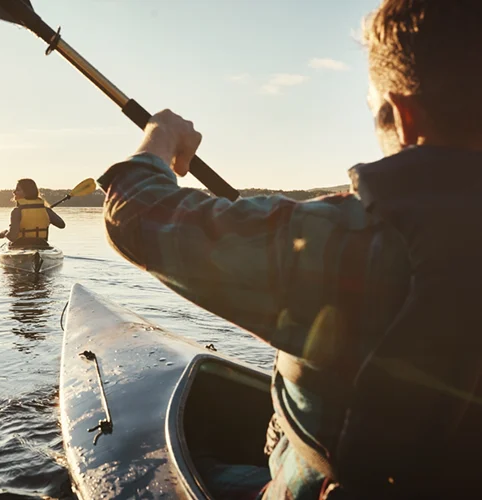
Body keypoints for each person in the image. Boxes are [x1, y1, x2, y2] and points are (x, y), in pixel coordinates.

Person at [96, 0, 482, 498]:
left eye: (376, 110)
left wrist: (160, 138)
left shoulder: (340, 237)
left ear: (404, 117)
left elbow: (134, 215)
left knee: (200, 468)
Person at [6, 178, 65, 248]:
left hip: (20, 245)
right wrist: (47, 217)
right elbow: (61, 225)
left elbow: (12, 237)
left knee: (9, 244)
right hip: (41, 245)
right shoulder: (46, 210)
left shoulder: (17, 211)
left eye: (18, 190)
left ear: (27, 192)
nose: (14, 192)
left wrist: (5, 234)